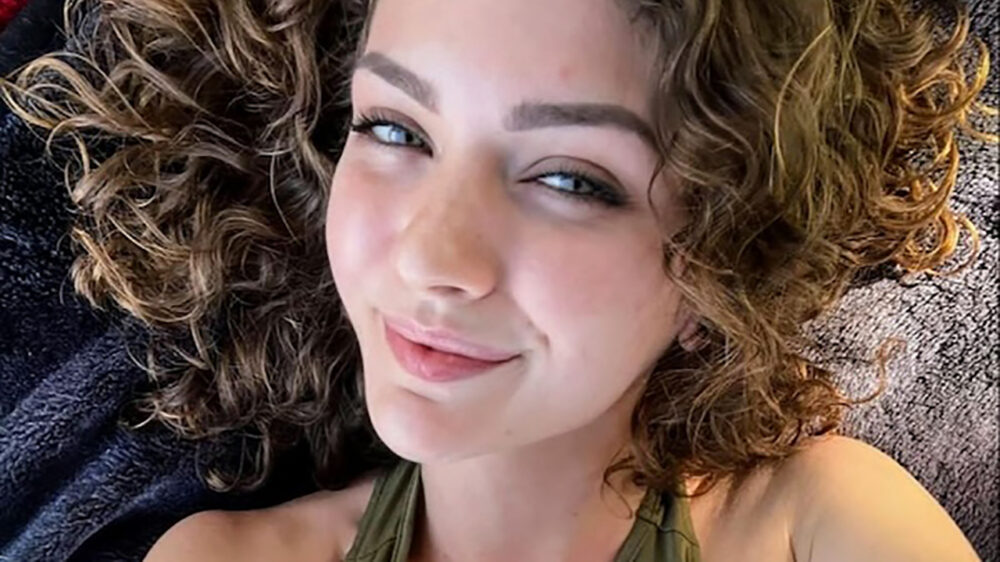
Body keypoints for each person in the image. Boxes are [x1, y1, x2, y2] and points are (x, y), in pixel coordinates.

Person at [1, 0, 994, 560]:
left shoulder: (823, 528)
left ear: (724, 268)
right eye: (395, 130)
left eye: (570, 180)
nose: (430, 257)